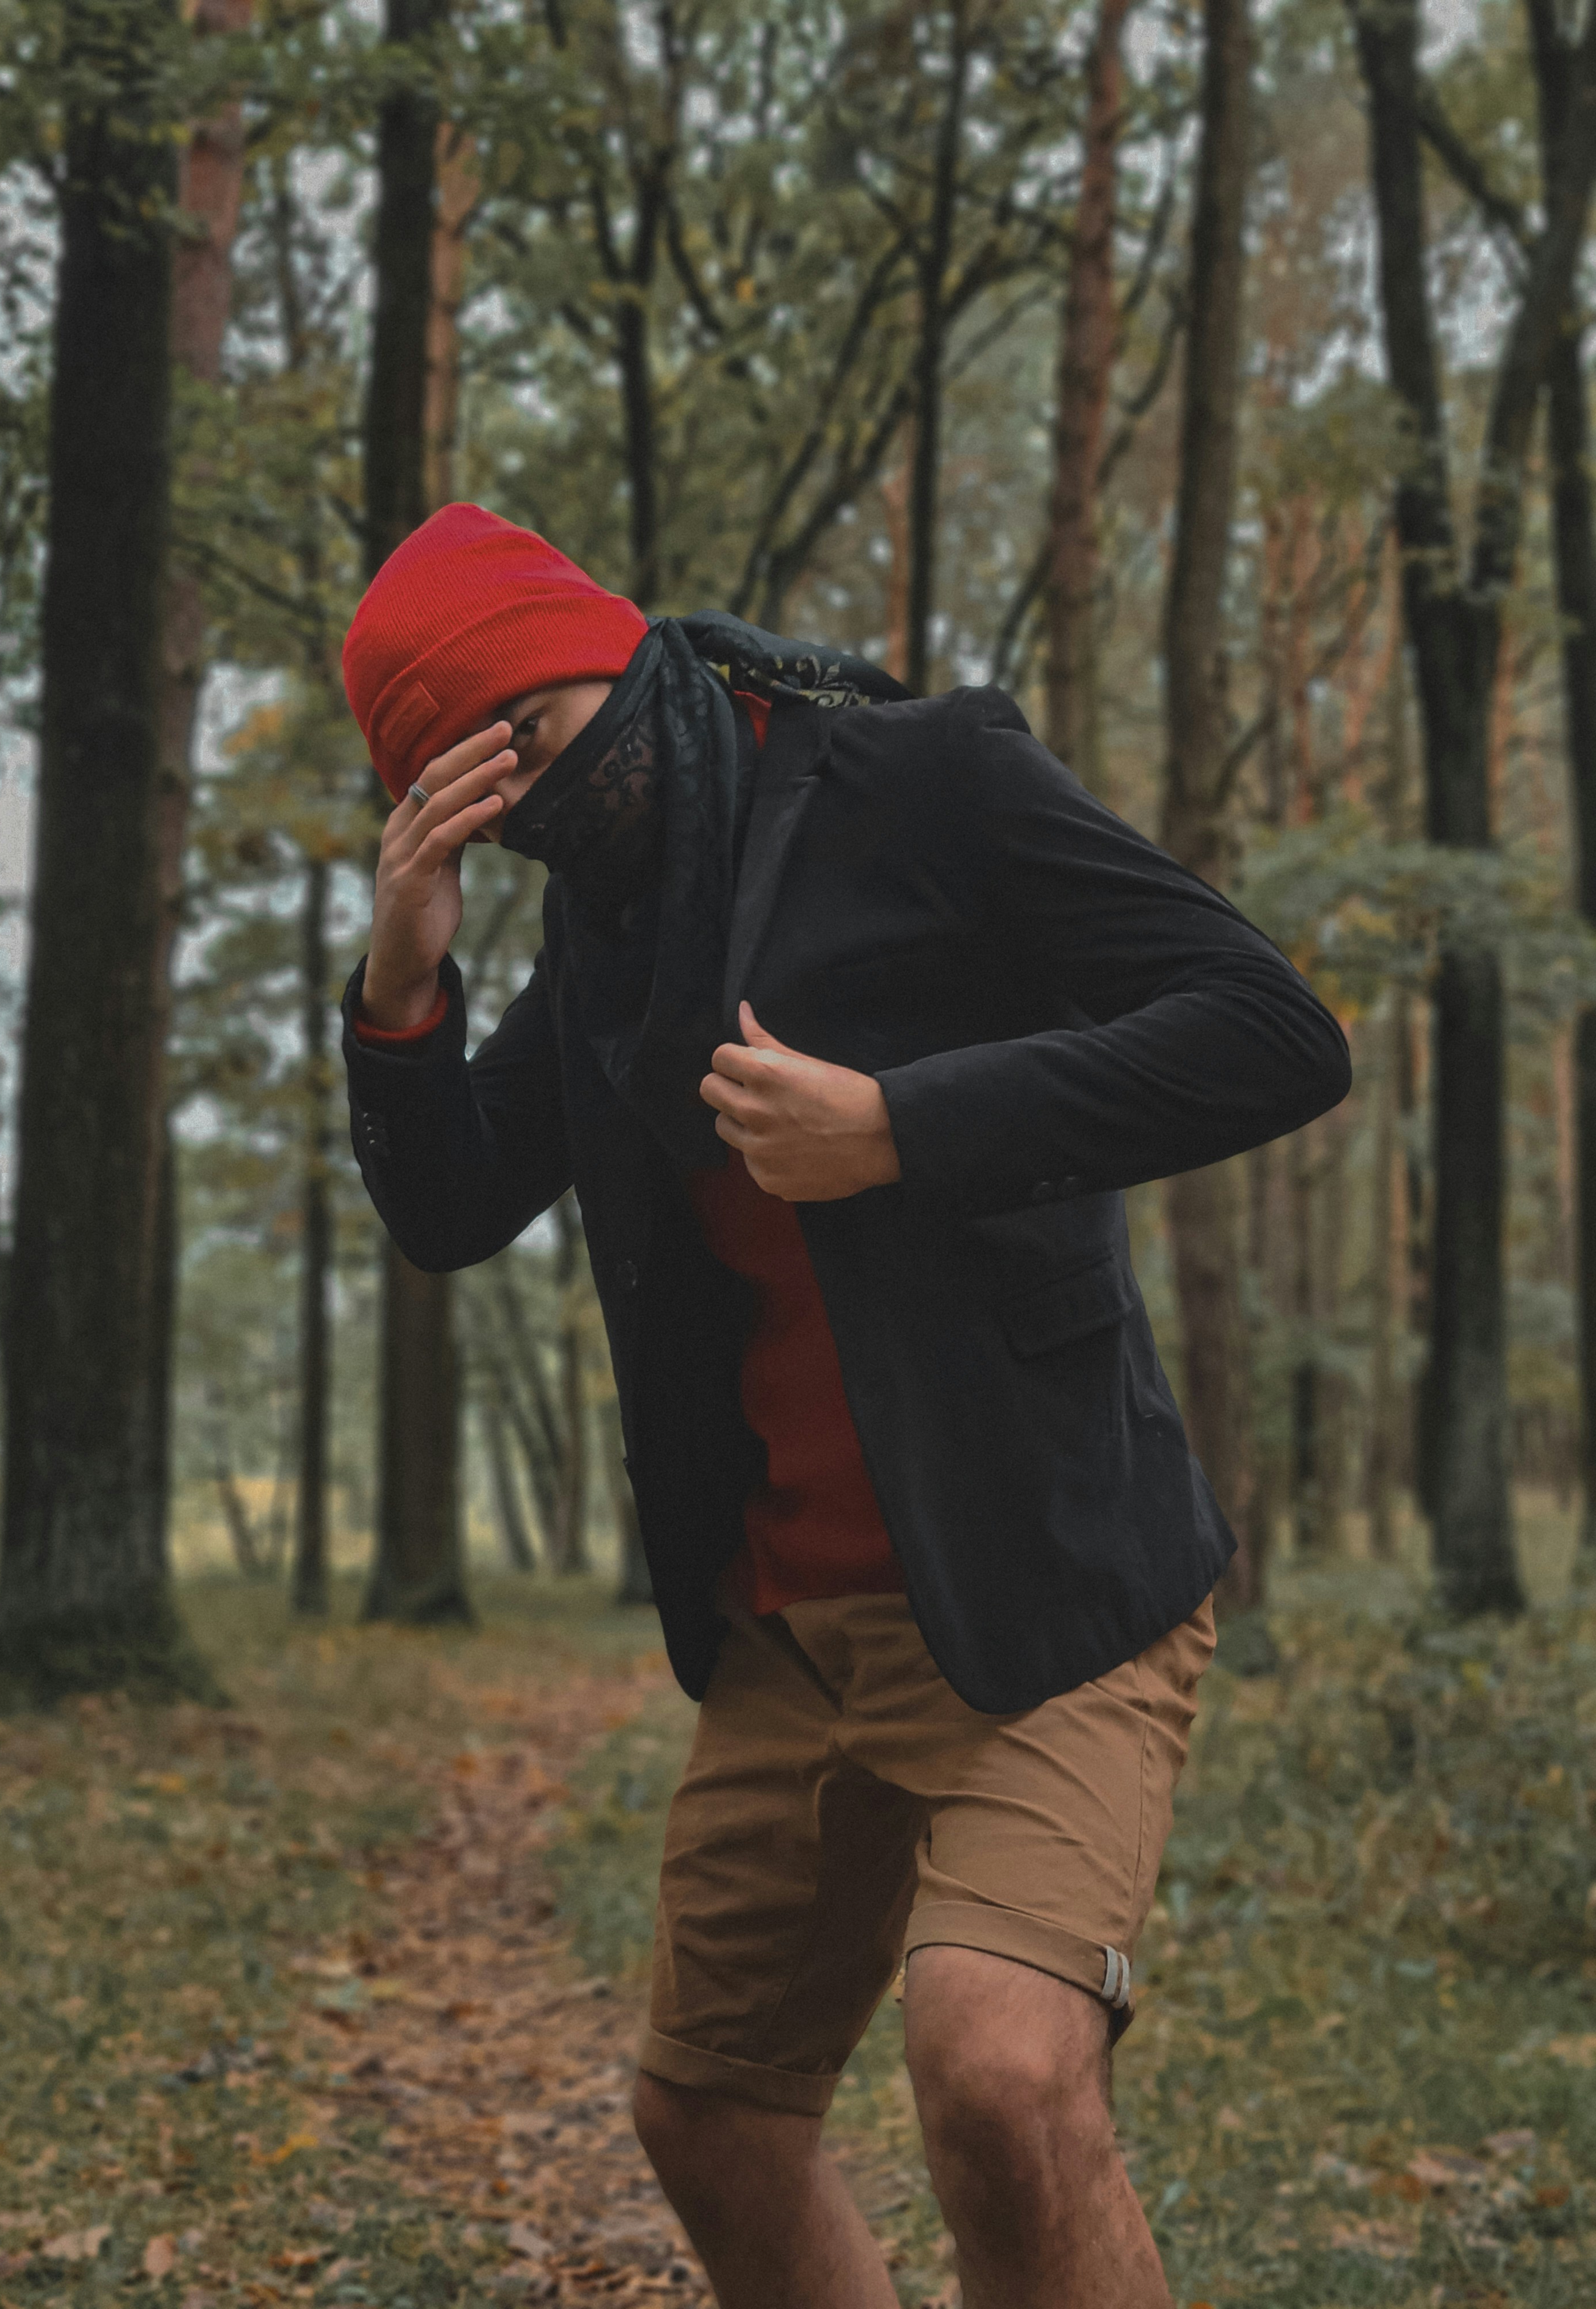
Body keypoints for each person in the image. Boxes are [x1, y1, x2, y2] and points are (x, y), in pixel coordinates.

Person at [339, 502, 1350, 2309]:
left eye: (547, 757)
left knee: (1003, 2079)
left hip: (1039, 1577)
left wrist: (902, 1129)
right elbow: (453, 1203)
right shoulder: (600, 927)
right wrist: (405, 977)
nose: (549, 820)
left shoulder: (920, 781)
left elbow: (1271, 1030)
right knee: (709, 2116)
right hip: (784, 1634)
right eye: (494, 807)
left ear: (625, 652)